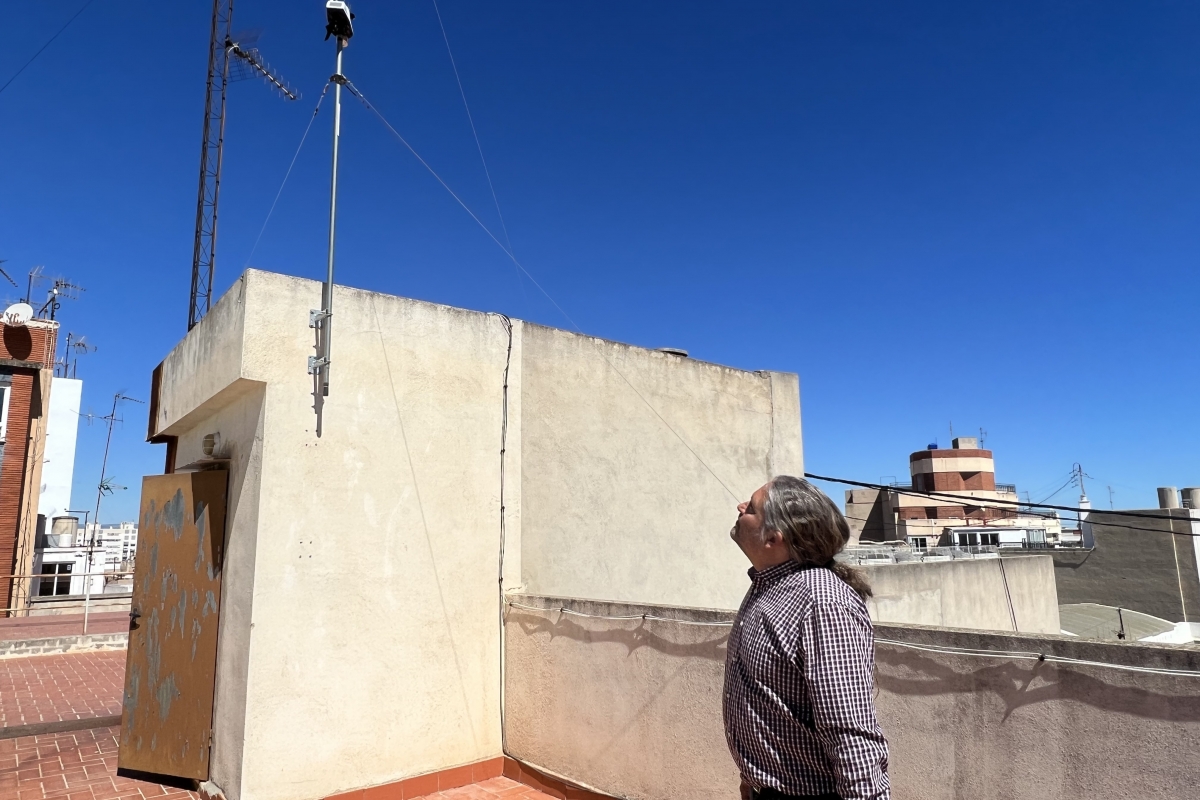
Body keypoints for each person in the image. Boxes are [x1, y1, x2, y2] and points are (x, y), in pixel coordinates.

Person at [723, 475, 890, 800]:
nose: (740, 507)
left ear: (774, 537)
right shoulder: (766, 585)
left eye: (752, 508)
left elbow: (850, 733)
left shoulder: (822, 603)